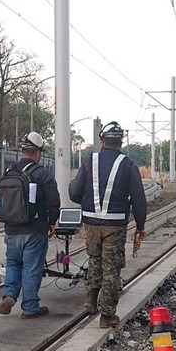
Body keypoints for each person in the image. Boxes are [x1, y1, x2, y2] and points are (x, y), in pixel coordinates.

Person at [68, 121, 147, 329]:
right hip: (115, 224)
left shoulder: (89, 162)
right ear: (120, 142)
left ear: (102, 142)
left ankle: (91, 299)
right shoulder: (128, 164)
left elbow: (74, 192)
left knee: (95, 259)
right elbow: (138, 199)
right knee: (111, 269)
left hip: (91, 222)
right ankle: (107, 315)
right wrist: (140, 226)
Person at [0, 132, 61, 319]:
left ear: (23, 150)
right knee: (32, 267)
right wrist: (51, 221)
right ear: (37, 153)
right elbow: (53, 201)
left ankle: (10, 295)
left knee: (13, 263)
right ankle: (30, 307)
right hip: (34, 230)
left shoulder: (10, 172)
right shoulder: (42, 174)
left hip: (11, 228)